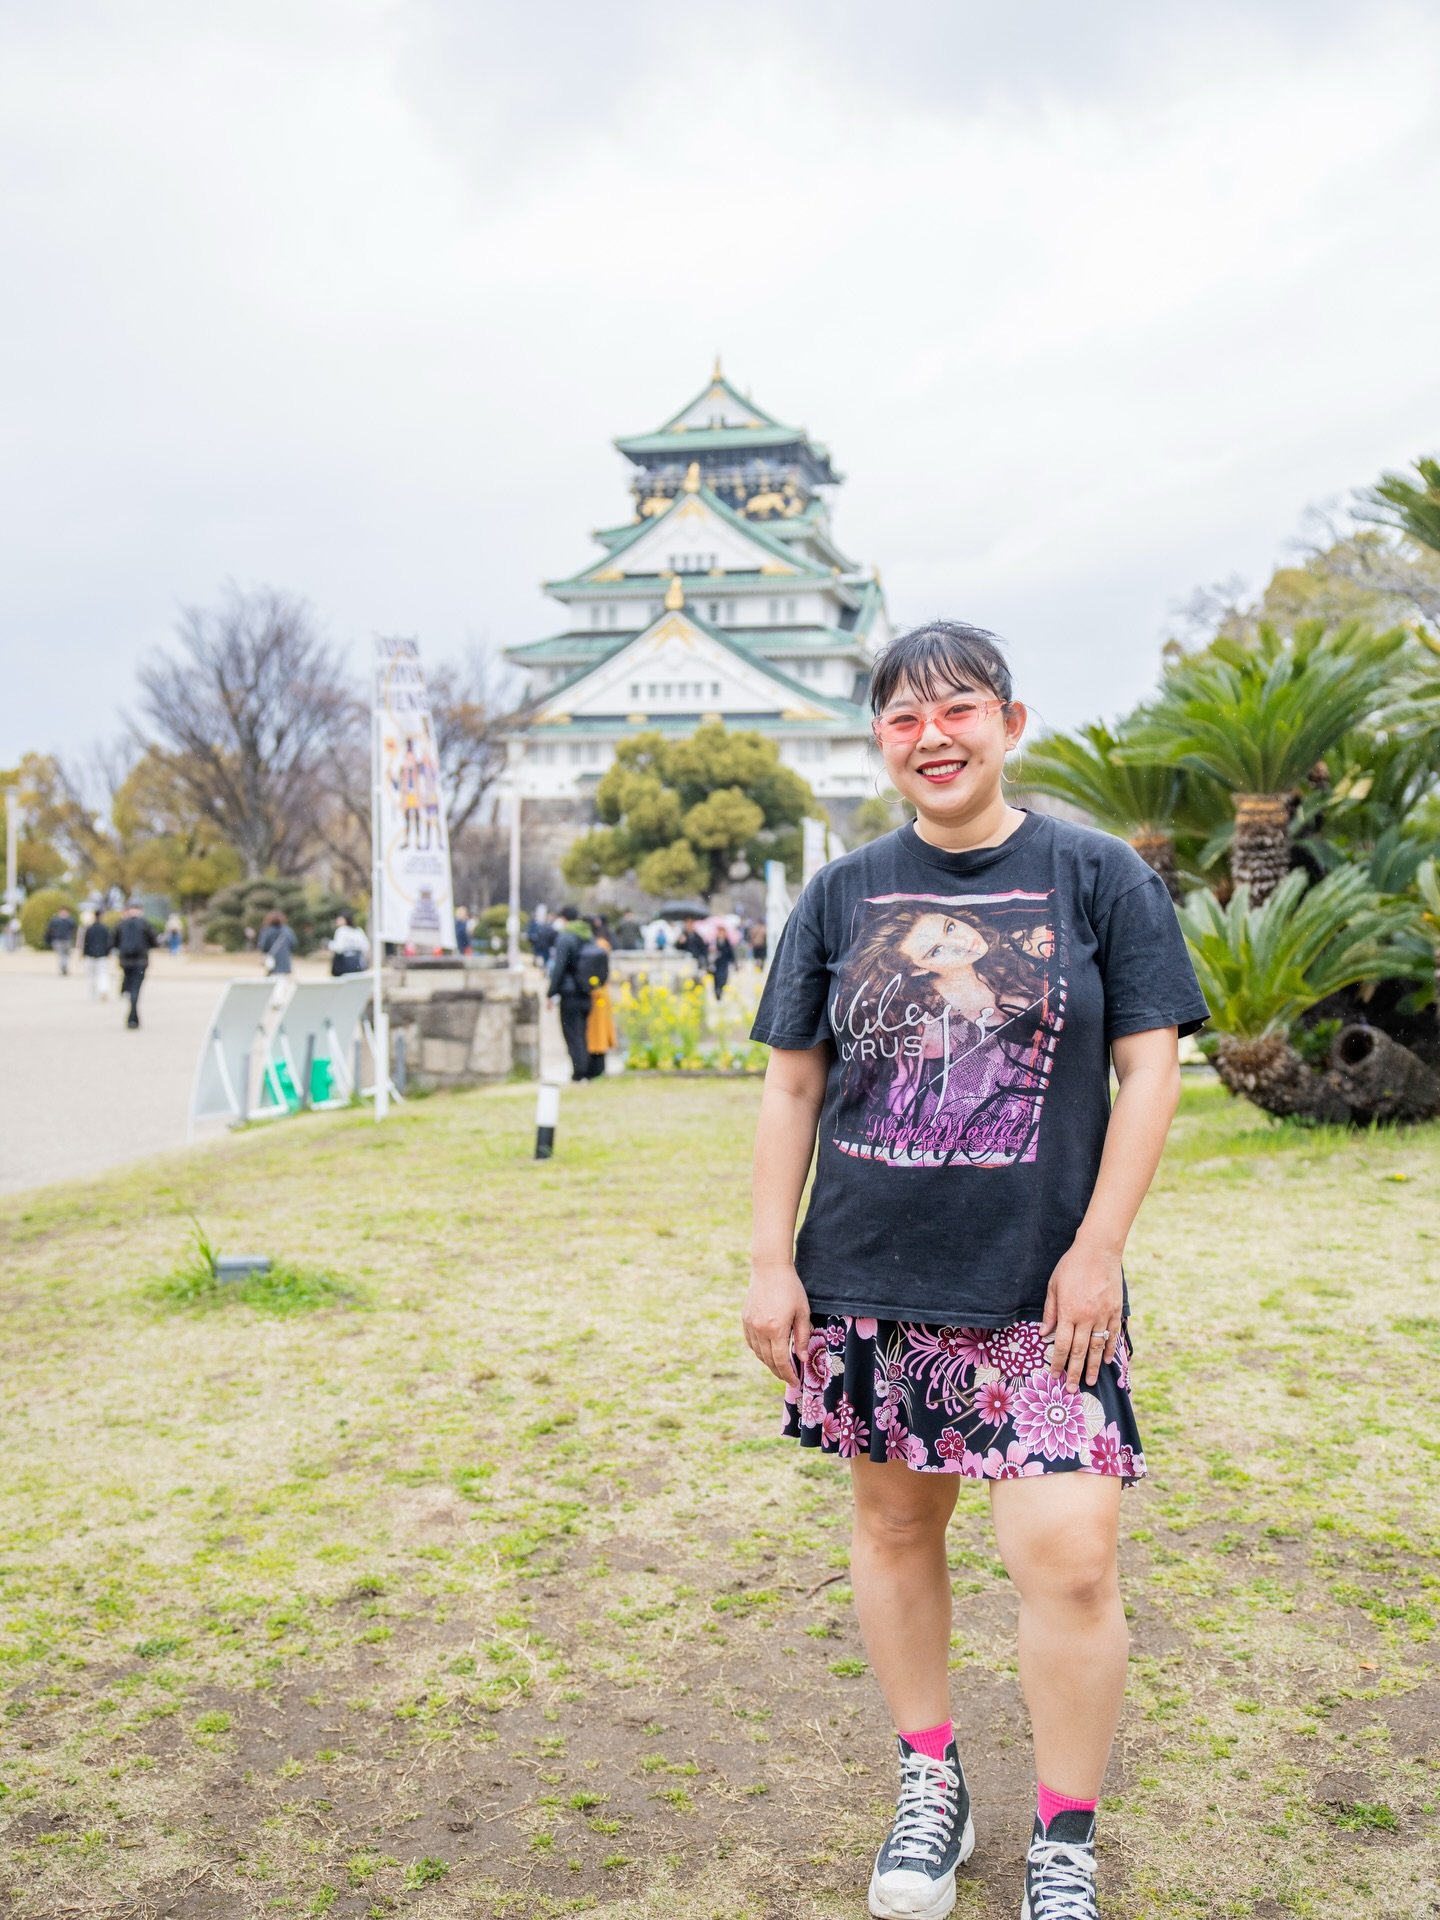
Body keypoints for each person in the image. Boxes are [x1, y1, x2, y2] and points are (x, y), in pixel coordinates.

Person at [743, 620, 1209, 1920]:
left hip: (1043, 1286)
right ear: (881, 741)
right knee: (897, 1523)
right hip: (873, 1276)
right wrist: (771, 1260)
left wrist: (1101, 1246)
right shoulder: (841, 895)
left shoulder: (1097, 875)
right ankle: (930, 1779)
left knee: (1068, 1557)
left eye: (957, 712)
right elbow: (793, 1085)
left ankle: (1063, 1838)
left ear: (1012, 722)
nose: (931, 738)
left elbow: (1152, 1063)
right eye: (902, 718)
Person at [547, 904, 596, 1083]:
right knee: (582, 1033)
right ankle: (586, 1069)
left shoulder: (566, 937)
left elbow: (559, 967)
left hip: (569, 993)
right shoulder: (588, 936)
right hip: (586, 991)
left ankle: (579, 1072)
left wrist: (551, 992)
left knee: (572, 1034)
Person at [582, 918, 616, 1079]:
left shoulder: (595, 946)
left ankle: (594, 1068)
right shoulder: (603, 946)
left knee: (595, 1032)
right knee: (600, 1032)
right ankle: (598, 1067)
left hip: (595, 994)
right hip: (601, 993)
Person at [114, 902, 157, 1028]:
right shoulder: (144, 924)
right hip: (140, 961)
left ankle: (132, 1013)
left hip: (125, 961)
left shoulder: (121, 924)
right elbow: (154, 941)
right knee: (135, 988)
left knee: (130, 983)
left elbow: (114, 942)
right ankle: (133, 1016)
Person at [82, 910, 113, 999]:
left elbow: (86, 942)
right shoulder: (105, 928)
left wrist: (85, 953)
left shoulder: (89, 928)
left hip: (90, 954)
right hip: (102, 954)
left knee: (91, 975)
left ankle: (93, 993)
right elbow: (109, 942)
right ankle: (103, 989)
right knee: (102, 973)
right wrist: (107, 952)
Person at [258, 909, 296, 977]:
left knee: (273, 983)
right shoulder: (287, 931)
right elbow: (294, 944)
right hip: (286, 964)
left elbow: (263, 946)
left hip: (272, 964)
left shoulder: (267, 931)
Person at [46, 903, 77, 975]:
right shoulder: (67, 920)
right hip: (60, 939)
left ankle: (64, 967)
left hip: (65, 940)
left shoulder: (58, 920)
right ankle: (63, 967)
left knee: (64, 955)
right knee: (62, 955)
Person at [711, 925, 735, 1001]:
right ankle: (717, 992)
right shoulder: (714, 942)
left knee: (724, 978)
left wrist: (733, 962)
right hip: (716, 964)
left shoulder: (727, 942)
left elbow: (731, 954)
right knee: (716, 979)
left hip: (724, 964)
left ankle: (720, 991)